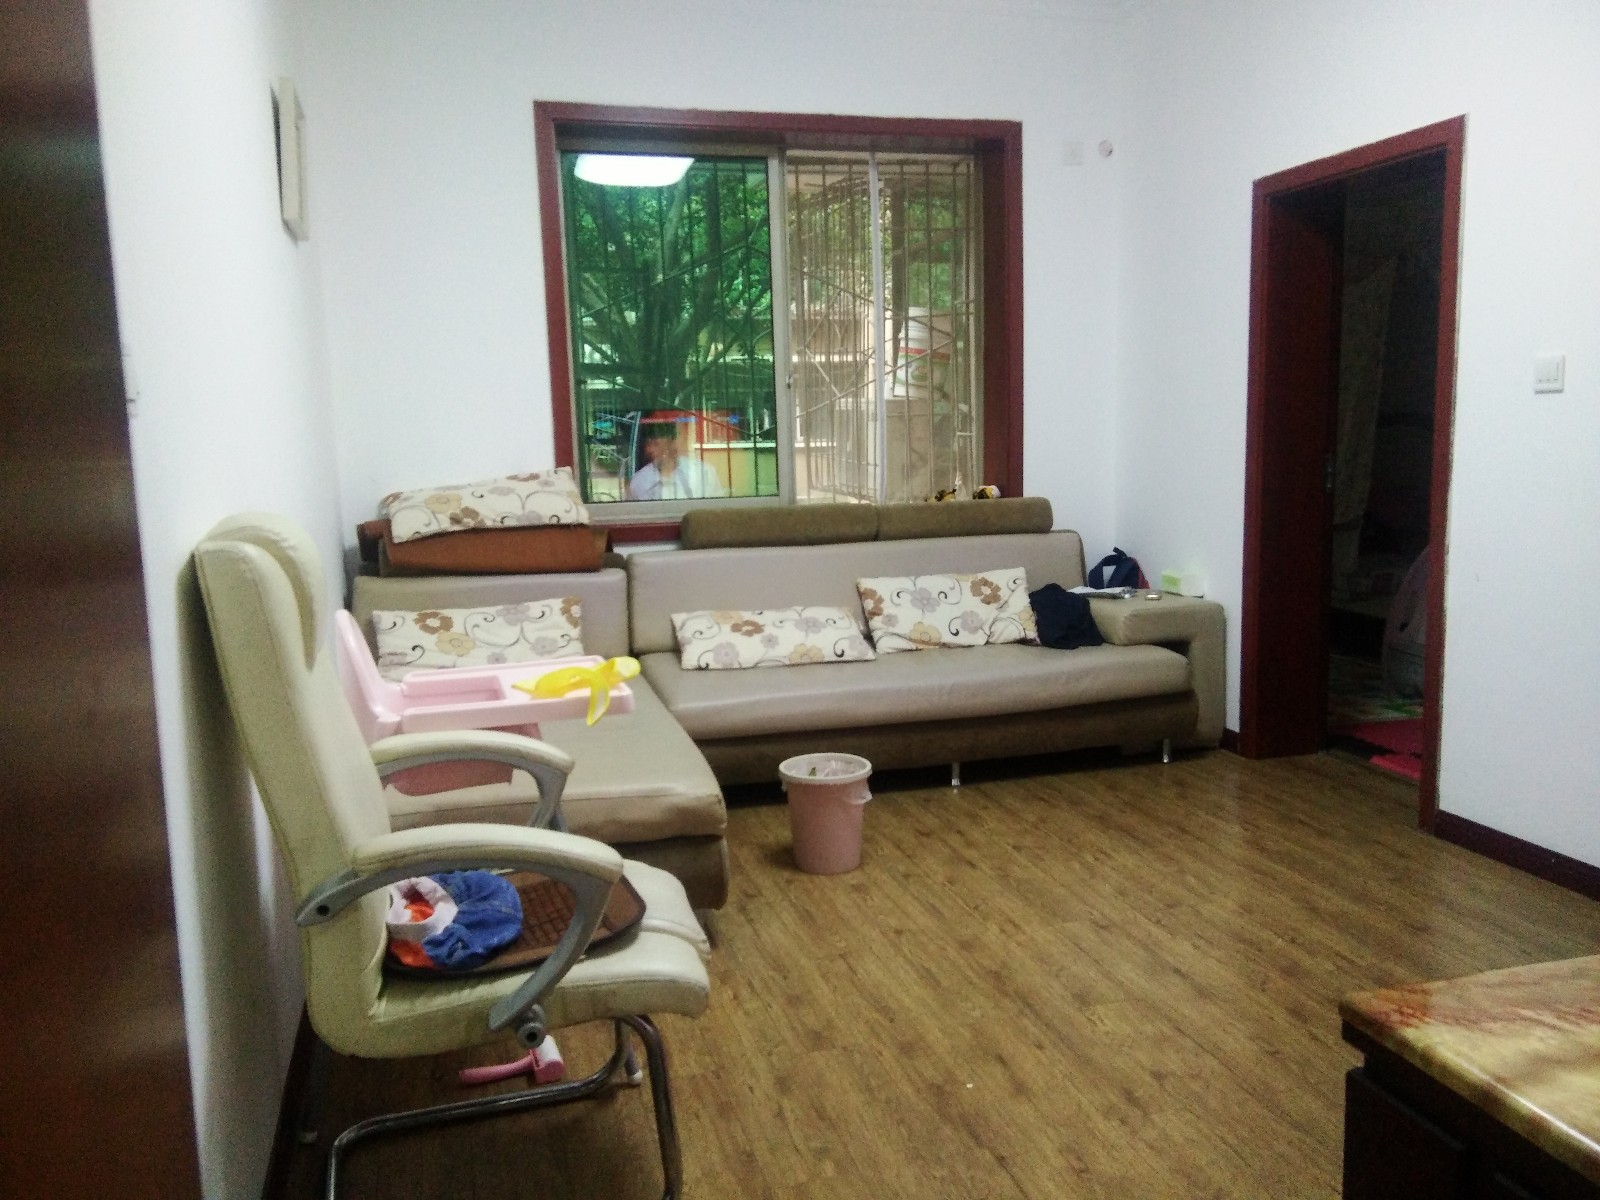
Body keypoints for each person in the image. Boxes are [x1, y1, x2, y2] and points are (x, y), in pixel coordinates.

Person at [625, 420, 728, 501]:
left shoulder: (703, 473)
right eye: (648, 444)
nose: (650, 450)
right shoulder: (639, 481)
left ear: (672, 443)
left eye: (656, 444)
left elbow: (715, 510)